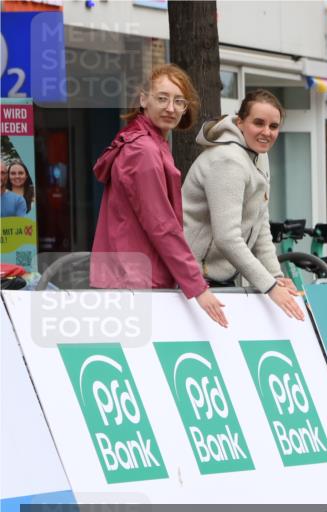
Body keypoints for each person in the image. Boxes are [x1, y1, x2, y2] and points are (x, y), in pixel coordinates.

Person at [90, 64, 227, 327]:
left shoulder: (146, 142)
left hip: (130, 276)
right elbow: (161, 225)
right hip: (136, 280)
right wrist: (197, 286)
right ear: (143, 100)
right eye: (162, 98)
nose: (171, 108)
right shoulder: (144, 150)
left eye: (179, 101)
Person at [183, 89, 304, 321]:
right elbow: (227, 238)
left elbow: (260, 225)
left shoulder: (258, 155)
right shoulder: (228, 160)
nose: (266, 132)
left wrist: (275, 276)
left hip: (218, 278)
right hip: (195, 279)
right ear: (240, 122)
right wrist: (270, 287)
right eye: (258, 123)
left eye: (274, 126)